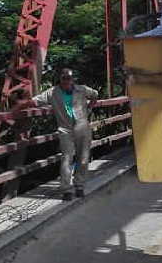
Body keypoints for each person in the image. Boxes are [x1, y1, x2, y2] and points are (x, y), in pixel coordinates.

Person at [12, 68, 98, 200]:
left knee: (83, 158)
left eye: (68, 78)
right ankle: (66, 190)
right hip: (66, 129)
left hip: (82, 127)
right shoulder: (52, 92)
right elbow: (35, 101)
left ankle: (79, 186)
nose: (66, 81)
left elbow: (95, 95)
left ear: (72, 79)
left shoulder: (82, 89)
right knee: (67, 158)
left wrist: (90, 108)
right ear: (60, 79)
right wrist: (19, 107)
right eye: (64, 78)